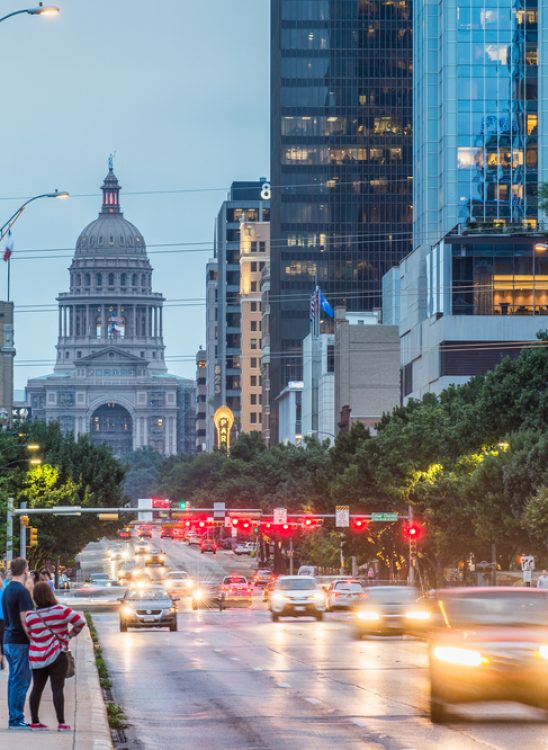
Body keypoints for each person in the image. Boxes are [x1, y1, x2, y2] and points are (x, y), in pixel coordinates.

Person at [25, 582, 85, 732]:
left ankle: (35, 722)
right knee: (57, 688)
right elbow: (80, 622)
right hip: (57, 654)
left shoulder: (30, 615)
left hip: (37, 656)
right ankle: (62, 723)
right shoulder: (61, 611)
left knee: (36, 688)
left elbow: (30, 633)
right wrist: (70, 635)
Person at [1, 557, 34, 729]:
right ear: (24, 570)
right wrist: (34, 640)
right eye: (27, 568)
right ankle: (16, 719)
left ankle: (15, 716)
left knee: (15, 680)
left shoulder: (7, 590)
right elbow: (25, 620)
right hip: (19, 641)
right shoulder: (22, 591)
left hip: (8, 639)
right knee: (20, 681)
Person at [0, 572, 5, 670]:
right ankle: (1, 661)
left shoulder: (4, 591)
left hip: (3, 619)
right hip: (3, 619)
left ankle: (1, 660)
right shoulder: (4, 591)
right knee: (1, 642)